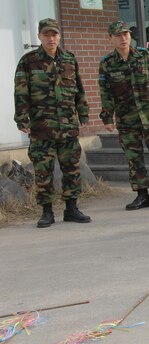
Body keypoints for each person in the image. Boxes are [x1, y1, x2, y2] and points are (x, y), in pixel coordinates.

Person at [13, 18, 91, 227]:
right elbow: (21, 92)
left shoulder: (69, 59)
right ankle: (47, 212)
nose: (51, 38)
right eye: (46, 34)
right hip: (41, 127)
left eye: (54, 34)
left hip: (67, 126)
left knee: (71, 168)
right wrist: (21, 118)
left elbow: (79, 90)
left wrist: (83, 114)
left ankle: (72, 209)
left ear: (59, 36)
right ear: (39, 36)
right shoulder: (28, 61)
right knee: (43, 170)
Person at [98, 20, 149, 210]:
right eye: (118, 35)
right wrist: (107, 117)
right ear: (111, 39)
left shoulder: (145, 56)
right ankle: (142, 195)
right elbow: (106, 92)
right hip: (127, 119)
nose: (123, 38)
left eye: (125, 34)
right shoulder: (107, 63)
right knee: (134, 158)